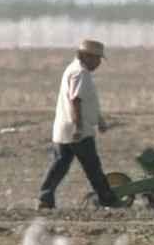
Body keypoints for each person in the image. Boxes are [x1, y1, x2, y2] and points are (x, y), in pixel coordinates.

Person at [37, 39, 120, 210]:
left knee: (60, 165)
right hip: (77, 130)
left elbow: (88, 103)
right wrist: (79, 127)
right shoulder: (80, 73)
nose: (98, 63)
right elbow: (76, 100)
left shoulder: (74, 69)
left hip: (64, 129)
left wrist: (100, 121)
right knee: (92, 166)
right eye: (97, 59)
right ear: (87, 56)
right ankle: (107, 199)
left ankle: (44, 199)